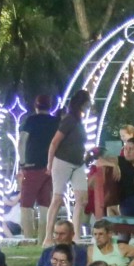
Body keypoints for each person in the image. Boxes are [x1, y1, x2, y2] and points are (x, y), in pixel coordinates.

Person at [44, 90, 93, 239]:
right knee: (57, 199)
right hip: (63, 161)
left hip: (78, 163)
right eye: (88, 102)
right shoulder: (69, 120)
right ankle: (48, 236)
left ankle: (76, 236)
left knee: (82, 199)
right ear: (82, 104)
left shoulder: (79, 121)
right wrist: (49, 164)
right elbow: (54, 142)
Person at [17, 91, 61, 241]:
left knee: (26, 204)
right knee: (45, 203)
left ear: (35, 106)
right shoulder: (56, 122)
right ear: (50, 107)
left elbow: (22, 140)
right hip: (50, 166)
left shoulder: (30, 121)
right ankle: (44, 237)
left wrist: (22, 162)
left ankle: (29, 237)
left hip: (32, 165)